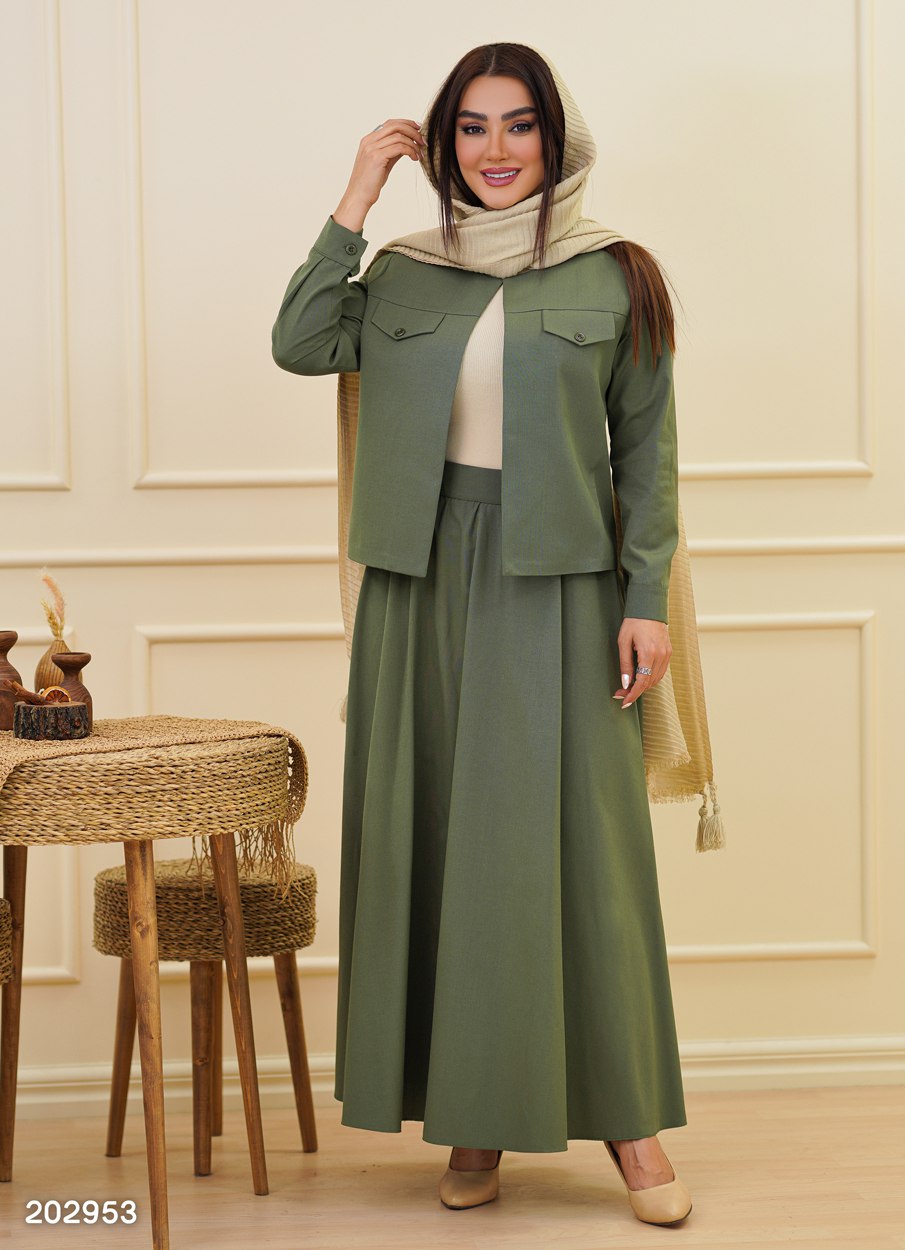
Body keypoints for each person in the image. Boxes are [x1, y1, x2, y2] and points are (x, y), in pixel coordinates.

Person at [271, 42, 694, 1228]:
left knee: (582, 854)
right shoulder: (404, 273)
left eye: (518, 125)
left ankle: (632, 1128)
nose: (495, 150)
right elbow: (299, 341)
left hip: (561, 582)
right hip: (417, 581)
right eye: (470, 126)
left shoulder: (617, 274)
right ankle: (473, 1118)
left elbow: (647, 451)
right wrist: (356, 196)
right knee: (447, 843)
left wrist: (645, 597)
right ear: (442, 143)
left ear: (556, 139)